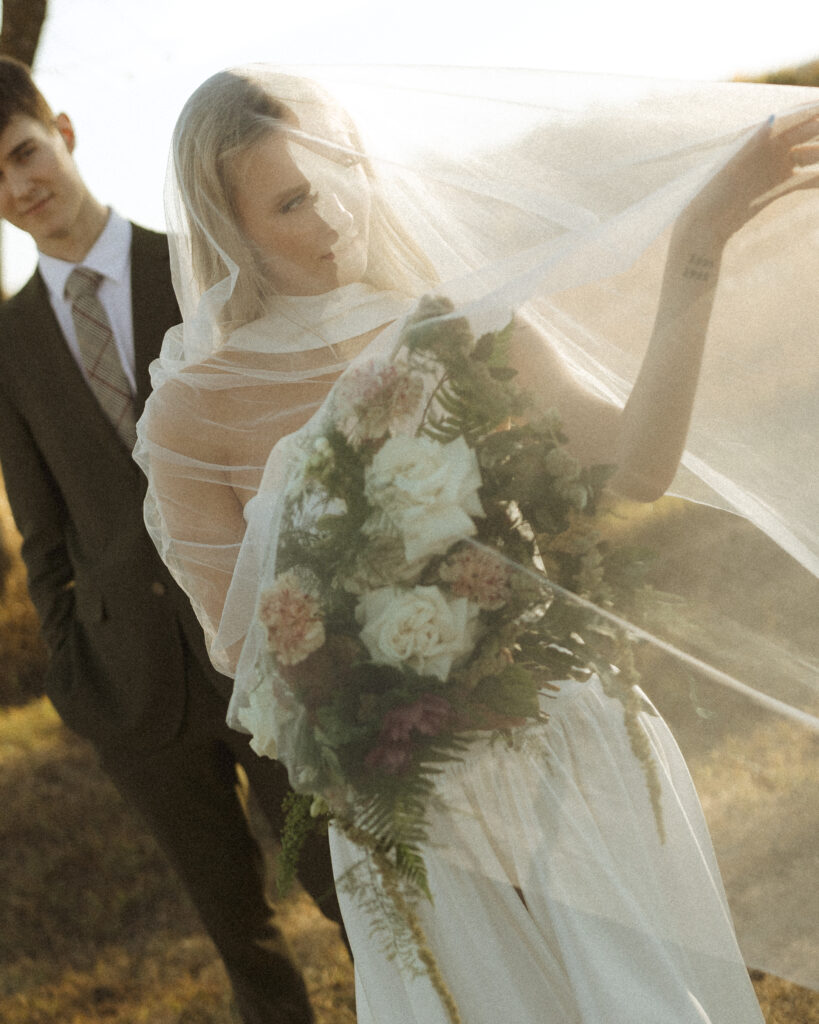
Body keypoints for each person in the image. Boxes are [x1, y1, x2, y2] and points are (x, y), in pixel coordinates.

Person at [136, 67, 819, 1022]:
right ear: (232, 229)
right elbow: (250, 654)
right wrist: (394, 680)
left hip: (566, 739)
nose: (336, 214)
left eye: (344, 174)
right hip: (407, 799)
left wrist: (695, 248)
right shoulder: (192, 415)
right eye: (293, 200)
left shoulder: (460, 321)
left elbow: (637, 463)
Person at [0, 58, 345, 1024]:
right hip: (130, 686)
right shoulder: (9, 344)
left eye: (23, 152)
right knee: (241, 939)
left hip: (265, 645)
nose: (18, 186)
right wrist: (77, 683)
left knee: (346, 885)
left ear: (62, 130)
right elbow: (43, 533)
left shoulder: (200, 266)